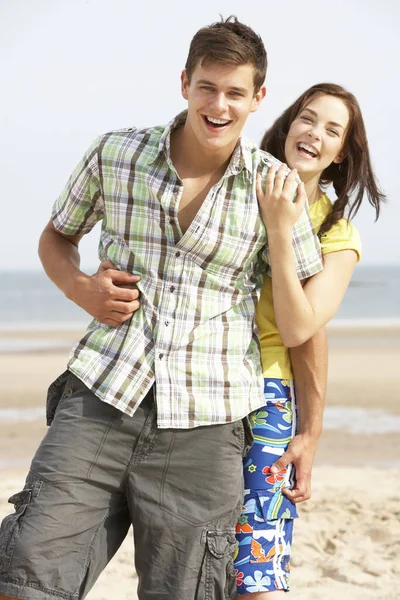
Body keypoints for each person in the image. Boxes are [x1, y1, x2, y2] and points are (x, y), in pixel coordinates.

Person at [0, 17, 323, 600]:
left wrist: (309, 431)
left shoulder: (276, 186)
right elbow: (56, 237)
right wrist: (80, 288)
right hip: (102, 395)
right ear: (184, 83)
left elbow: (302, 325)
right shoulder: (117, 152)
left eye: (234, 92)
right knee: (26, 571)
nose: (218, 104)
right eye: (207, 86)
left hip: (208, 419)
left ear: (257, 99)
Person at [234, 83, 385, 596]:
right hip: (199, 382)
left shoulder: (336, 233)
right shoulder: (235, 179)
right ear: (288, 123)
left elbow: (304, 330)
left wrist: (310, 432)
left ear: (342, 153)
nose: (314, 134)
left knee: (258, 564)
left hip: (268, 393)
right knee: (193, 559)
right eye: (307, 118)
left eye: (332, 130)